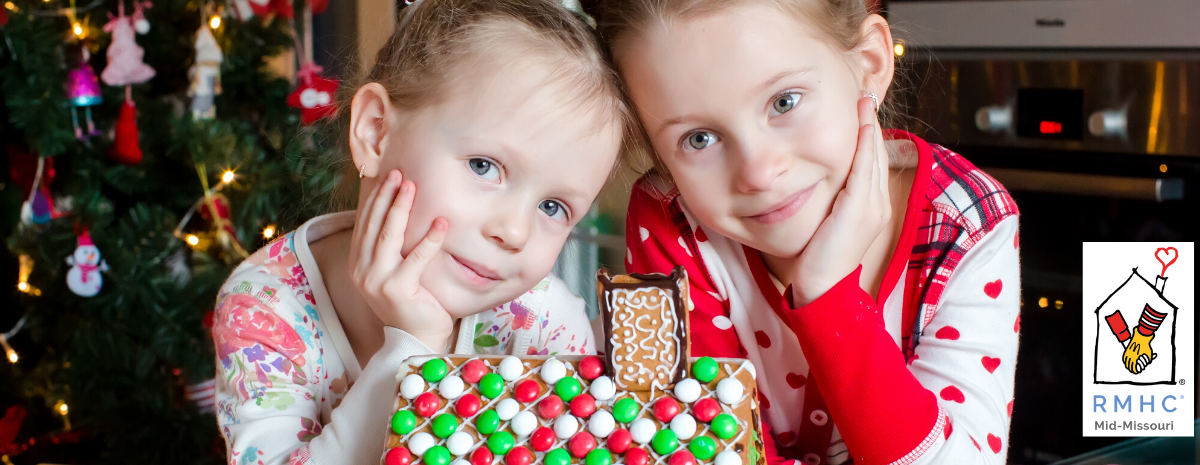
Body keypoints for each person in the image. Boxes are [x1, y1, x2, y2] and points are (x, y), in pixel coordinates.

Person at [211, 1, 639, 463]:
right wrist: (412, 351)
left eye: (553, 207)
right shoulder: (265, 310)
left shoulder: (541, 323)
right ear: (375, 132)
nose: (514, 231)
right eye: (484, 166)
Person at [596, 1, 1021, 463]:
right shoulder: (668, 221)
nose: (758, 172)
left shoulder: (967, 224)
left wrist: (828, 297)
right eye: (699, 138)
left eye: (784, 102)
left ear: (869, 65)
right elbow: (700, 450)